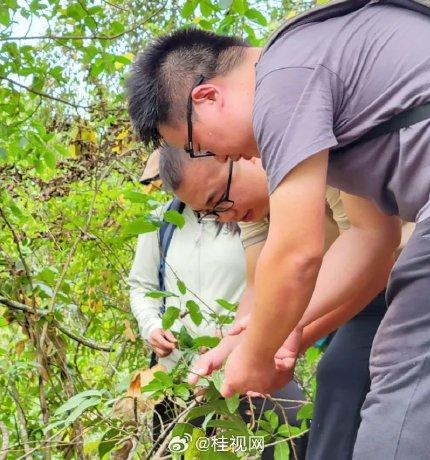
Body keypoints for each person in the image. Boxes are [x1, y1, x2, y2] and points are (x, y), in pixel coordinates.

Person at [125, 5, 430, 459]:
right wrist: (284, 330)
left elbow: (296, 253)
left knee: (404, 384)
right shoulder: (327, 86)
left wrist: (253, 358)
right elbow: (371, 238)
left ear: (208, 98)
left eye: (201, 146)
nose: (221, 154)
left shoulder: (281, 75)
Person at [158, 144, 396, 459]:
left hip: (412, 274)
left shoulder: (314, 158)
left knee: (340, 377)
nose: (225, 214)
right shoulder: (249, 206)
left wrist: (278, 342)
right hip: (362, 297)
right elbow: (259, 287)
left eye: (219, 198)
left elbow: (377, 260)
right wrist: (229, 349)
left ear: (240, 154)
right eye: (212, 212)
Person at [127, 152, 308, 458]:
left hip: (245, 362)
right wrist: (152, 326)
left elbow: (268, 285)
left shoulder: (246, 214)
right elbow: (141, 285)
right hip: (181, 376)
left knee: (285, 438)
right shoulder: (161, 224)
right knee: (183, 450)